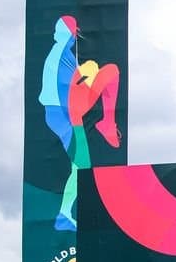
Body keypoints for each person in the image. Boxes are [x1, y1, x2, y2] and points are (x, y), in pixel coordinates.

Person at [38, 15, 121, 231]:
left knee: (80, 166)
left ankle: (64, 214)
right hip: (66, 112)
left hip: (68, 111)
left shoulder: (64, 54)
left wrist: (87, 76)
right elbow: (55, 91)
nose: (56, 34)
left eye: (59, 30)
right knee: (110, 72)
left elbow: (71, 82)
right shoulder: (59, 54)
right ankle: (107, 124)